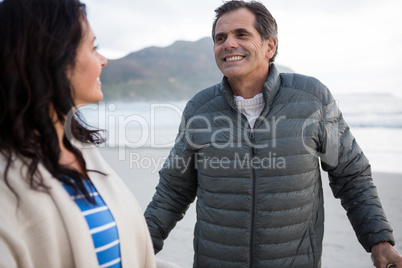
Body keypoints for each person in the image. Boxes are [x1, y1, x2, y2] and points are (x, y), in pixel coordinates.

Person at [145, 1, 402, 267]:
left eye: (241, 34)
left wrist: (379, 242)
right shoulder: (200, 109)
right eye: (220, 38)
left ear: (270, 46)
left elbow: (351, 176)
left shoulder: (312, 98)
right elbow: (173, 189)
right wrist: (138, 245)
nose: (228, 44)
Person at [0, 0, 156, 267]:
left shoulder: (81, 148)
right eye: (94, 47)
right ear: (51, 54)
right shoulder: (7, 182)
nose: (104, 60)